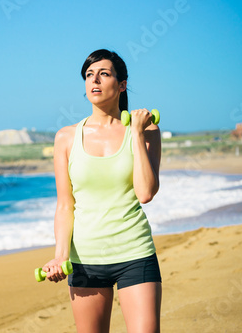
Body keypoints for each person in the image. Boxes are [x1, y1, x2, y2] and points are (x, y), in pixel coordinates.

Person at [42, 49, 162, 333]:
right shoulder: (66, 138)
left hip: (135, 251)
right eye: (89, 75)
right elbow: (64, 205)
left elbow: (145, 192)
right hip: (86, 259)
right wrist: (60, 255)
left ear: (121, 84)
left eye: (104, 74)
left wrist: (135, 133)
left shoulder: (148, 130)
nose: (94, 80)